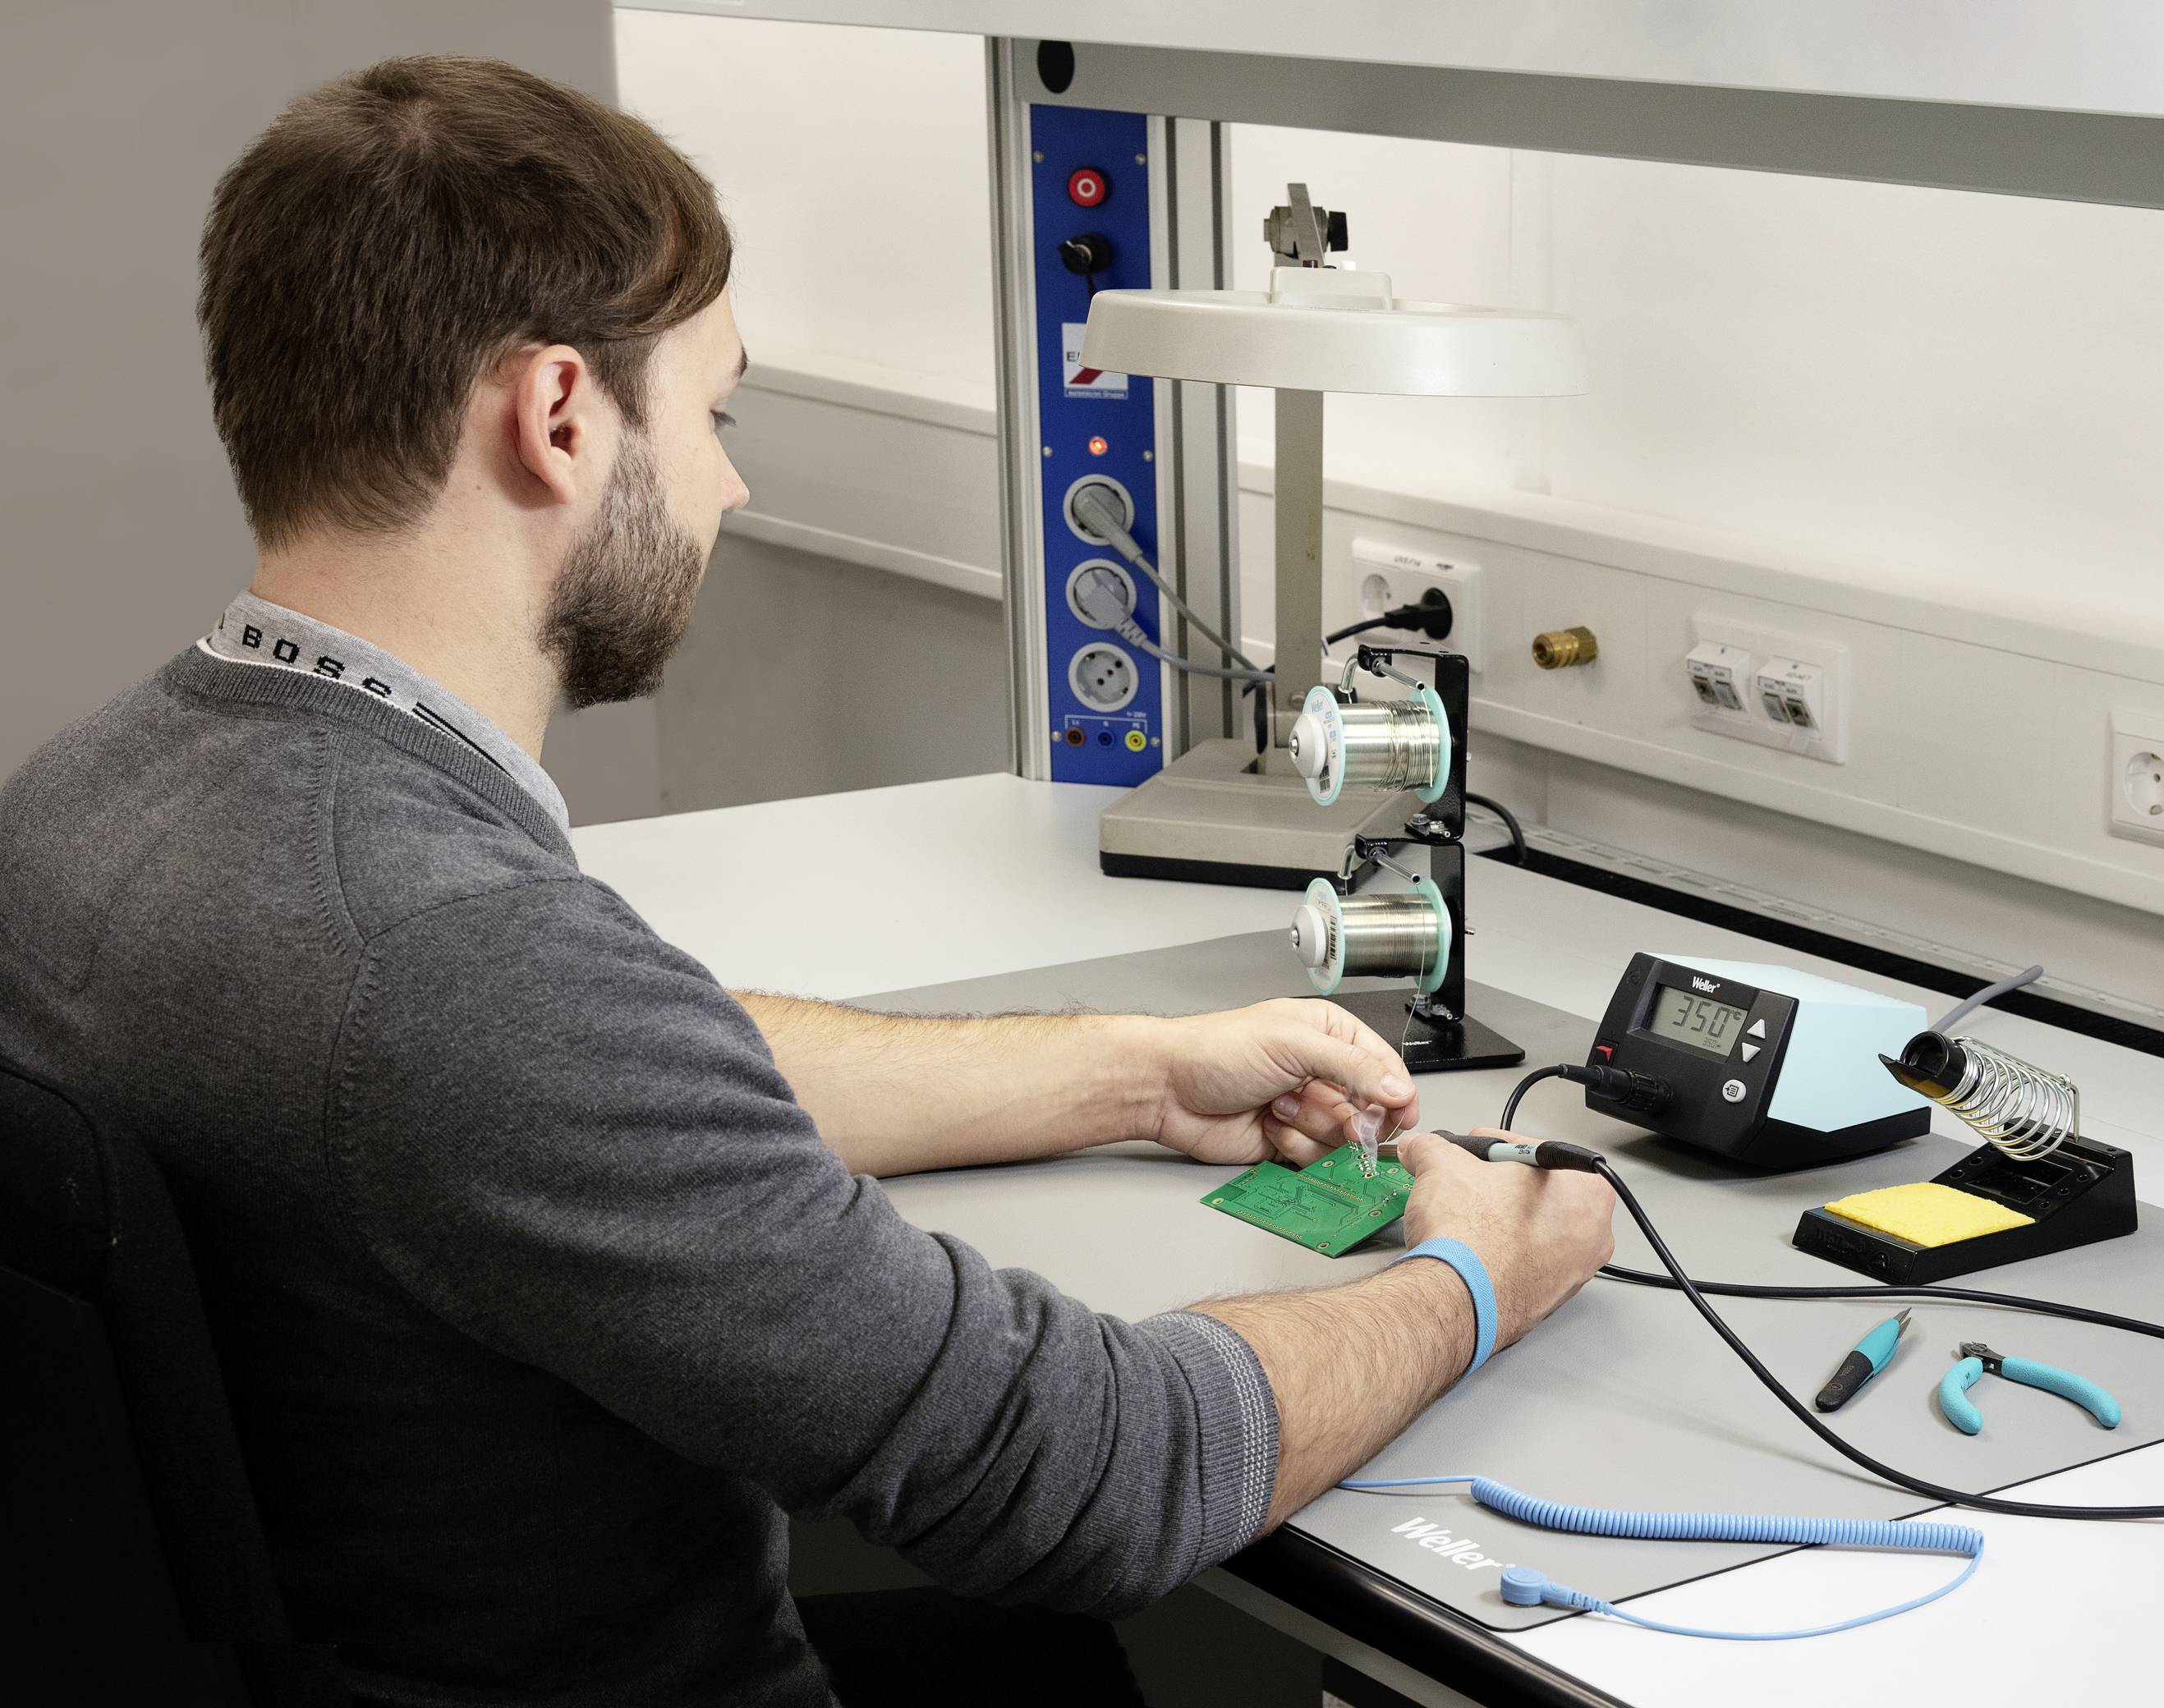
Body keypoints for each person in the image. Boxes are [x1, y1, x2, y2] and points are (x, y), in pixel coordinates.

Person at [0, 55, 1613, 1706]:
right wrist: (1479, 1273)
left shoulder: (85, 803)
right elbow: (1091, 1475)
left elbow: (605, 1086)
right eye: (712, 414)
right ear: (559, 416)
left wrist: (1129, 1070)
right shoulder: (460, 965)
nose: (729, 486)